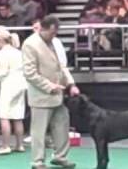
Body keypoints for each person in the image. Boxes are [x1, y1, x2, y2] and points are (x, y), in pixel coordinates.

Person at [22, 15, 79, 169]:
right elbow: (30, 73)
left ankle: (60, 157)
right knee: (39, 132)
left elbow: (62, 66)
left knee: (62, 126)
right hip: (41, 96)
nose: (54, 35)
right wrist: (49, 86)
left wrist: (71, 84)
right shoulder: (30, 44)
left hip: (59, 95)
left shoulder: (54, 42)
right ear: (43, 28)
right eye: (52, 32)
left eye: (56, 32)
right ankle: (37, 162)